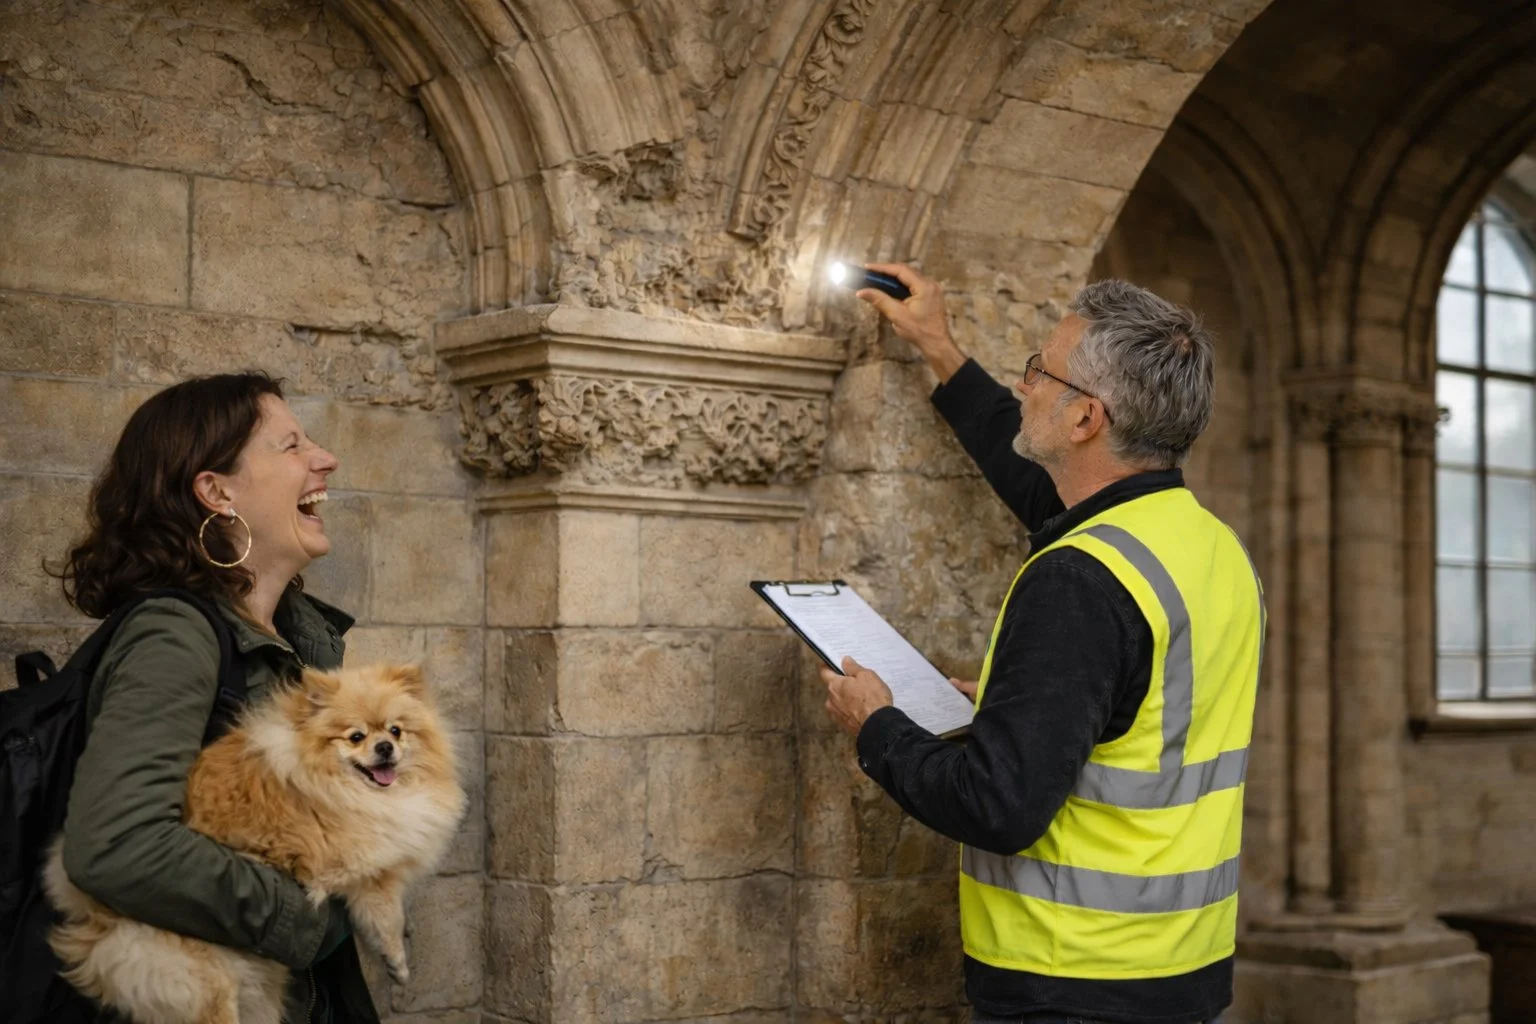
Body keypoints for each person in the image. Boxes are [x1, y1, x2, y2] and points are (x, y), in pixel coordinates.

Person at [821, 265, 1263, 1024]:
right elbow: (1132, 710)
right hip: (1181, 966)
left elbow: (998, 805)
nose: (1023, 385)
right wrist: (939, 346)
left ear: (1087, 418)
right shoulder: (1208, 545)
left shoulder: (1079, 579)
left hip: (1074, 981)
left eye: (1036, 372)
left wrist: (879, 726)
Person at [47, 373, 378, 1023]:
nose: (324, 458)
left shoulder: (293, 642)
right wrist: (305, 917)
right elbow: (116, 845)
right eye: (290, 446)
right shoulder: (173, 635)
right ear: (216, 491)